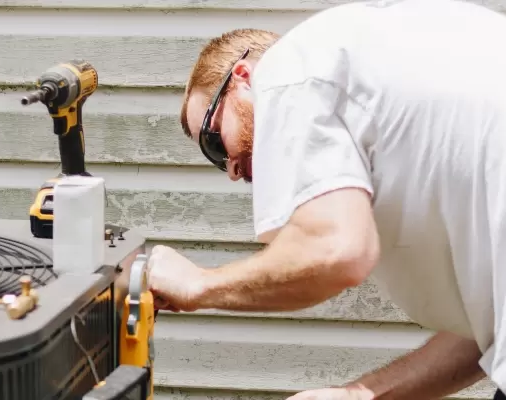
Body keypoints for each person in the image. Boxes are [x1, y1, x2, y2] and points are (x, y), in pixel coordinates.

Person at [145, 0, 506, 398]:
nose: (231, 169)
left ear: (243, 78)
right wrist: (360, 394)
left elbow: (335, 253)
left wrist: (198, 285)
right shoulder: (389, 79)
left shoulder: (290, 72)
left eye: (215, 141)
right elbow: (487, 331)